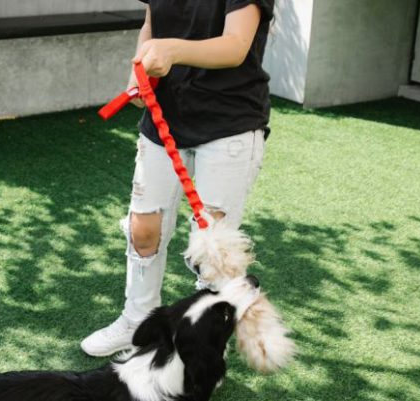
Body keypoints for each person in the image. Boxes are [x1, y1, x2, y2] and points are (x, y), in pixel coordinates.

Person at [81, 0, 275, 357]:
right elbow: (152, 25)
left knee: (212, 249)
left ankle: (206, 344)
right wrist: (139, 70)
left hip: (228, 122)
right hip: (165, 115)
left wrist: (170, 49)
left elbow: (235, 45)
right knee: (143, 229)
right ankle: (137, 322)